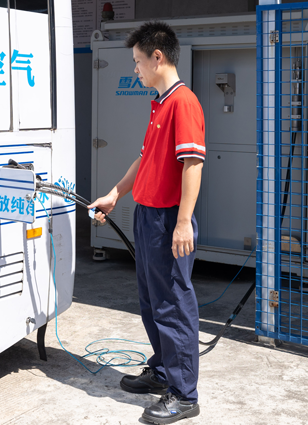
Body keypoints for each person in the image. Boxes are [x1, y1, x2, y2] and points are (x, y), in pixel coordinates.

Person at [88, 21, 205, 425]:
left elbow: (193, 164)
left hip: (169, 218)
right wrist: (115, 194)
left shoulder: (183, 102)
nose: (135, 69)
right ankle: (163, 371)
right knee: (152, 302)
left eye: (138, 61)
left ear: (158, 57)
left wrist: (183, 222)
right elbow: (145, 160)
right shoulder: (160, 103)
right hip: (148, 215)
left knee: (172, 305)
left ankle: (184, 394)